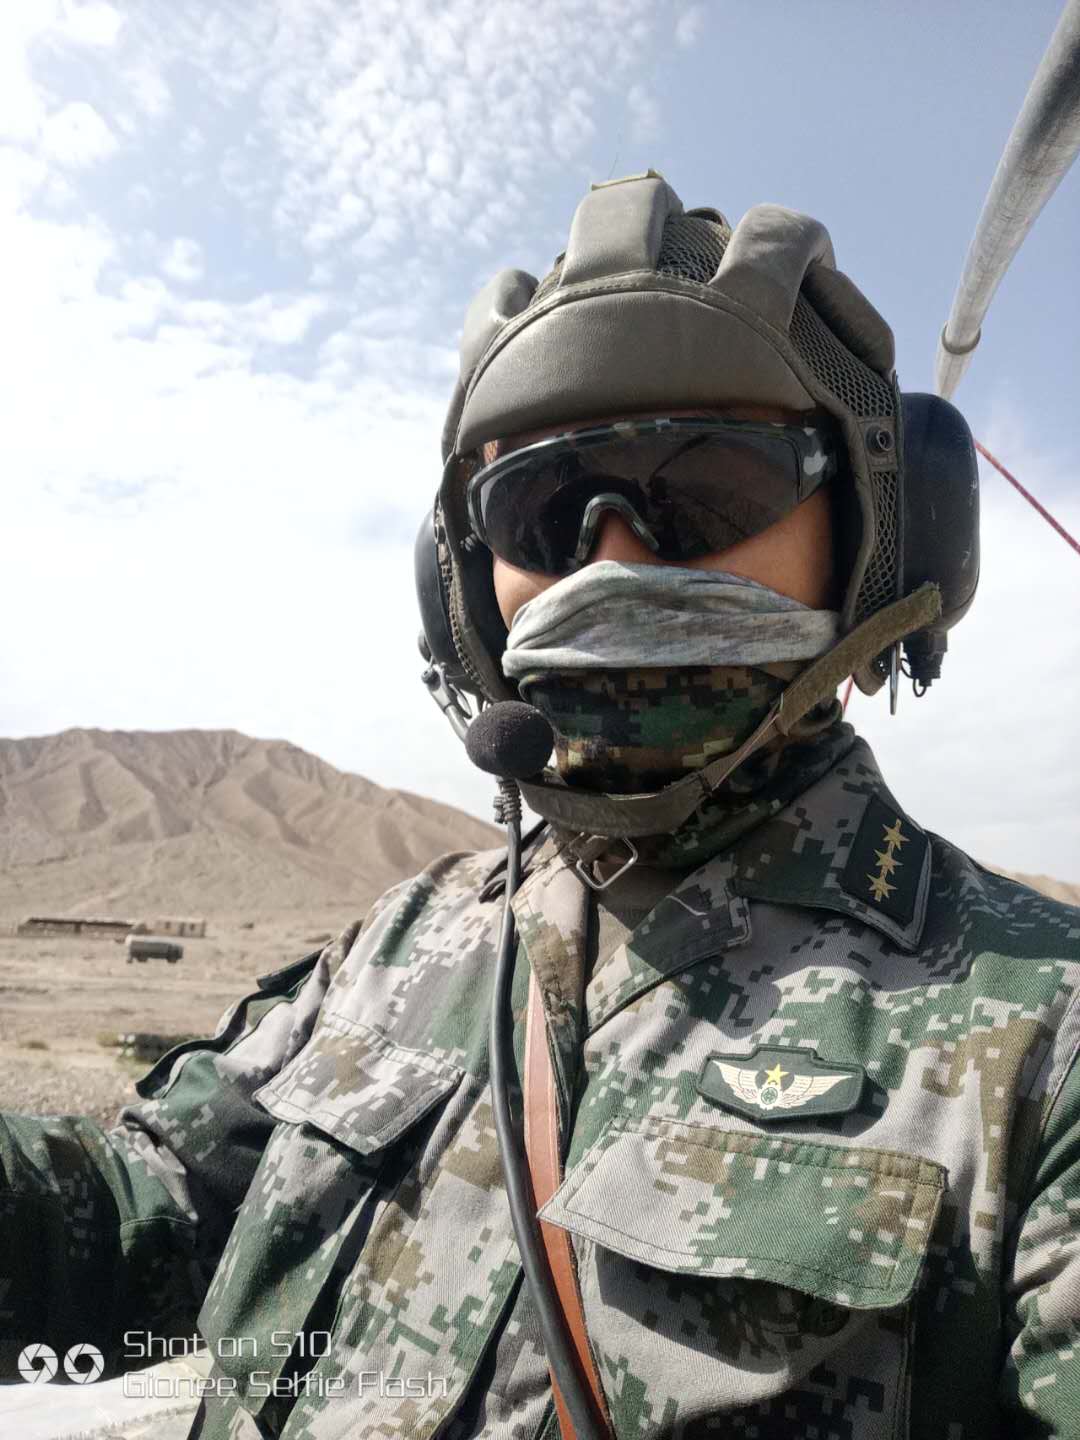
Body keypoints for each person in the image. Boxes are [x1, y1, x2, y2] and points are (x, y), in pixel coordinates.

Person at [1, 172, 1078, 1440]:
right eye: (542, 509)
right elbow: (146, 1209)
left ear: (876, 544)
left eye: (708, 489)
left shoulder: (1041, 1039)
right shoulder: (406, 941)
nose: (611, 560)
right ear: (461, 584)